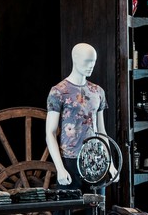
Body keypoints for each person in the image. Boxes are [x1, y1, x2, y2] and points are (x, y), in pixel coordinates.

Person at [45, 42, 108, 188]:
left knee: (95, 209)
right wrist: (60, 168)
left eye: (93, 62)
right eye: (87, 61)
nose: (91, 65)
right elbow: (50, 132)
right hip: (70, 160)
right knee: (66, 208)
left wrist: (108, 163)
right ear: (75, 58)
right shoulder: (58, 91)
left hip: (96, 159)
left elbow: (101, 131)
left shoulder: (97, 91)